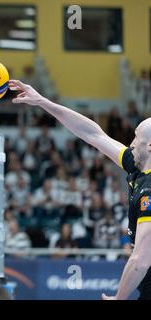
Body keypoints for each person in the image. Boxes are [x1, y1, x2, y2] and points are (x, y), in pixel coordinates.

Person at [9, 79, 151, 300]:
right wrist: (43, 102)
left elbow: (141, 259)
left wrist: (118, 298)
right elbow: (92, 134)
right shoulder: (136, 165)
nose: (130, 143)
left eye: (136, 138)